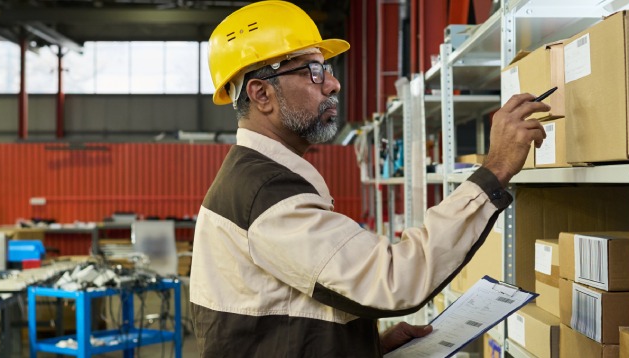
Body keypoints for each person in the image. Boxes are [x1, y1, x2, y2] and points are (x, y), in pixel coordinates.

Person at [192, 1, 548, 356]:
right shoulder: (265, 192)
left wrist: (366, 345)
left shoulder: (257, 181)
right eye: (312, 71)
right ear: (261, 94)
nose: (333, 84)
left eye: (327, 68)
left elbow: (280, 317)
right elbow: (394, 280)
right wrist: (496, 169)